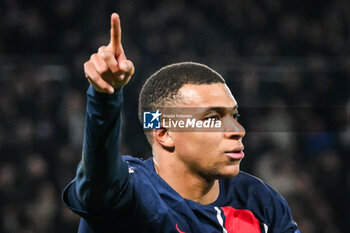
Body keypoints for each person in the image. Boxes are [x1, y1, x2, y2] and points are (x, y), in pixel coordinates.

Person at [63, 13, 300, 233]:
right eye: (213, 118)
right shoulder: (135, 192)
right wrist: (104, 98)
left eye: (233, 116)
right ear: (164, 132)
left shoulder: (259, 201)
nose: (238, 130)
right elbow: (97, 183)